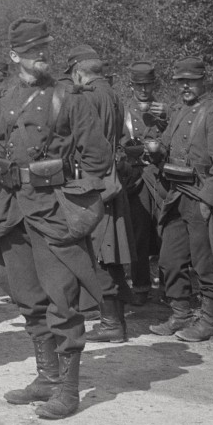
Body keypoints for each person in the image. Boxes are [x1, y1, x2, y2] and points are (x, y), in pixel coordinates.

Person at [0, 18, 112, 420]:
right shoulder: (3, 101)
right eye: (34, 52)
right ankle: (46, 377)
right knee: (29, 299)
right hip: (14, 212)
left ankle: (68, 390)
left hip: (52, 212)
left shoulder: (70, 98)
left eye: (46, 50)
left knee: (61, 300)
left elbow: (98, 159)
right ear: (16, 57)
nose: (43, 57)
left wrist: (72, 194)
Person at [146, 56, 213, 342]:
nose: (185, 86)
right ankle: (180, 313)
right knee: (170, 259)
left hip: (199, 196)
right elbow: (169, 146)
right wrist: (156, 150)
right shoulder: (181, 112)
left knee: (205, 261)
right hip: (176, 195)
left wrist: (208, 201)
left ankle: (210, 319)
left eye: (190, 81)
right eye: (181, 82)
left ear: (203, 81)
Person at [67, 45, 136, 343]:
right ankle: (115, 319)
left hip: (94, 182)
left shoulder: (86, 97)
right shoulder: (113, 95)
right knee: (111, 251)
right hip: (112, 180)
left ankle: (111, 324)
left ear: (78, 73)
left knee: (101, 252)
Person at [120, 61, 169, 306]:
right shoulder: (124, 111)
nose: (143, 90)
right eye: (138, 85)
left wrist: (165, 119)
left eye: (147, 85)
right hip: (136, 178)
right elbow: (119, 140)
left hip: (161, 177)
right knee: (138, 232)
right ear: (131, 86)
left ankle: (168, 287)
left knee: (164, 231)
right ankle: (140, 286)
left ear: (154, 85)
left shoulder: (164, 110)